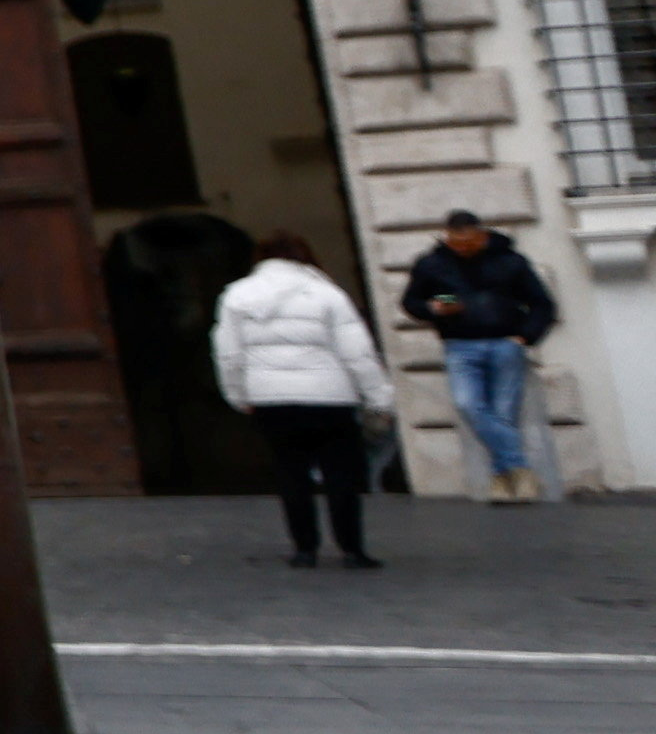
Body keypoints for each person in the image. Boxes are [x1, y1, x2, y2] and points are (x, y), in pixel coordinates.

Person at [213, 229, 394, 570]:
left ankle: (304, 549)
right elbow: (358, 353)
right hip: (330, 397)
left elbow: (228, 354)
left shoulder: (236, 295)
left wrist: (238, 396)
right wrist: (378, 397)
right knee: (341, 476)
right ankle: (352, 549)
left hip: (271, 398)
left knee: (290, 474)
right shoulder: (327, 294)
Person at [397, 205, 563, 507]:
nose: (465, 249)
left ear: (483, 236)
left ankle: (502, 479)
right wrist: (437, 307)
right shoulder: (431, 264)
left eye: (471, 243)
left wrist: (525, 336)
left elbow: (542, 303)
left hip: (505, 342)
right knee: (468, 405)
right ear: (447, 239)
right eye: (457, 244)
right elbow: (412, 301)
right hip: (459, 343)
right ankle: (519, 468)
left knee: (502, 412)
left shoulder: (510, 261)